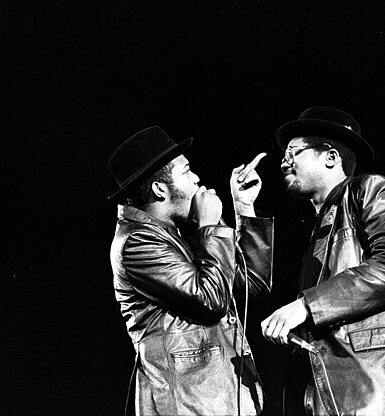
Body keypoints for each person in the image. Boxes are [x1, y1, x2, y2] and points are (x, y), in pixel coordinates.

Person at [107, 126, 273, 416]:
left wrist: (243, 208)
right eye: (186, 171)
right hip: (189, 404)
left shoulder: (177, 233)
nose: (197, 179)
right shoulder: (137, 241)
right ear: (160, 188)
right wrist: (211, 227)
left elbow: (253, 284)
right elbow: (210, 300)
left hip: (214, 398)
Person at [261, 107, 385, 415]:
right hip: (327, 394)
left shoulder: (367, 190)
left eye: (295, 151)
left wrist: (305, 306)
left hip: (369, 390)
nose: (283, 160)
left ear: (330, 157)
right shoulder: (318, 224)